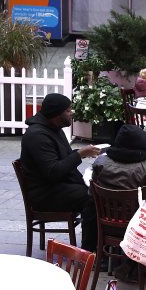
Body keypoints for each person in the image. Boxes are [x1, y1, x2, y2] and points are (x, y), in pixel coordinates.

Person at [90, 125, 146, 282]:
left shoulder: (100, 162)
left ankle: (117, 261)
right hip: (137, 228)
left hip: (105, 224)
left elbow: (92, 193)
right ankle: (133, 265)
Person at [19, 93, 101, 252]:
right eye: (68, 110)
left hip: (58, 185)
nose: (72, 113)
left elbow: (62, 159)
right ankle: (90, 251)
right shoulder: (37, 136)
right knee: (91, 198)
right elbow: (52, 171)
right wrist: (79, 154)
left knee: (96, 189)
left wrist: (81, 152)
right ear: (57, 114)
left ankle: (100, 245)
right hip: (45, 193)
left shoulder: (54, 129)